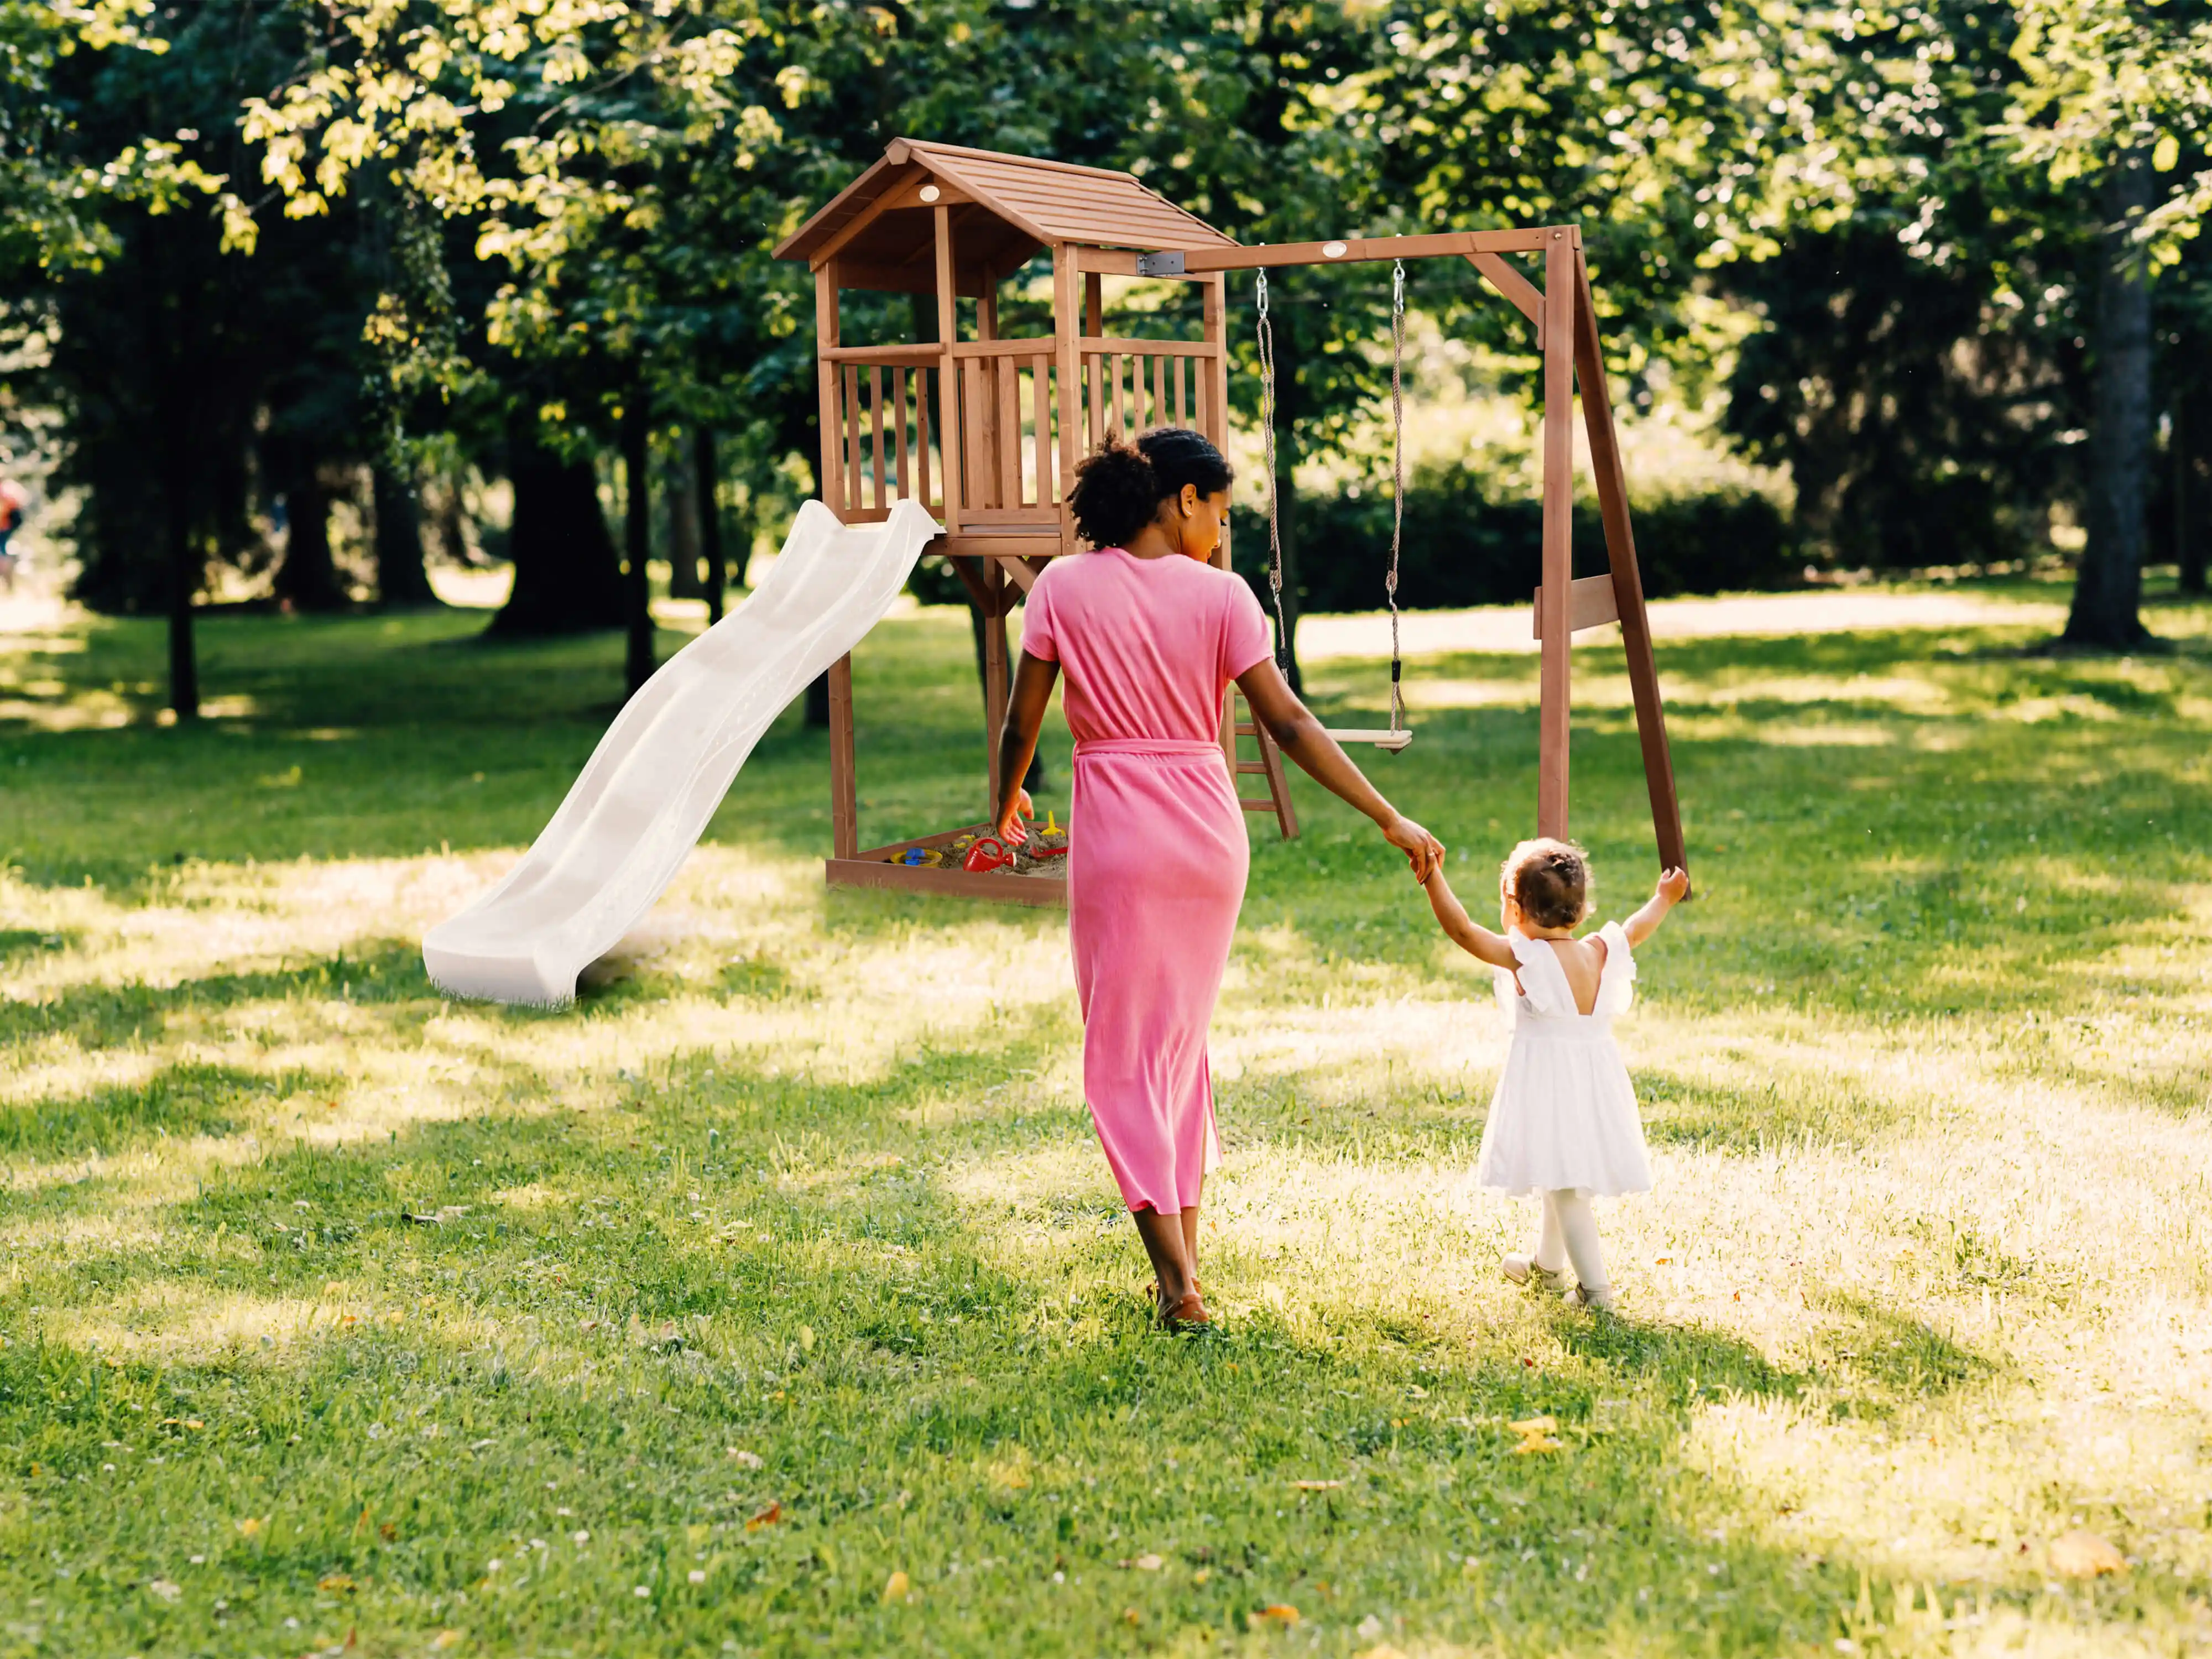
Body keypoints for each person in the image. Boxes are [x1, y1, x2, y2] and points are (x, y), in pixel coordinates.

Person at [992, 427, 1444, 1331]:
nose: (1223, 533)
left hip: (1120, 835)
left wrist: (1002, 808)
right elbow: (1289, 725)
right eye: (1222, 512)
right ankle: (1186, 1267)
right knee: (1176, 1052)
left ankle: (1177, 1285)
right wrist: (1386, 814)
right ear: (1184, 499)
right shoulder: (1224, 598)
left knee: (1123, 1058)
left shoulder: (1061, 589)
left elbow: (1020, 724)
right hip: (1207, 836)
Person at [1420, 838, 1689, 1311]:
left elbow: (1462, 931)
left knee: (1566, 1188)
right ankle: (1547, 1267)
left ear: (1515, 908)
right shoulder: (1600, 950)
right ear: (1581, 911)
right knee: (1556, 1170)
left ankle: (1596, 1292)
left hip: (1551, 1085)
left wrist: (1432, 876)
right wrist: (1663, 899)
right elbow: (1636, 927)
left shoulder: (1527, 958)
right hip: (1593, 1081)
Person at [0, 478, 27, 593]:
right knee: (3, 551)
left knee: (2, 553)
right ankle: (9, 583)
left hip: (4, 527)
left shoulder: (4, 493)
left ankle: (8, 582)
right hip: (7, 526)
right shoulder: (8, 490)